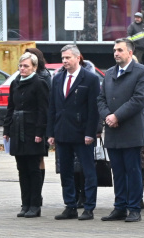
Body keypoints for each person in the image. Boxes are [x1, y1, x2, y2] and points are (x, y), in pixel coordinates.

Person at [97, 38, 144, 223]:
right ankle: (119, 206)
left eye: (119, 50)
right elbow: (101, 99)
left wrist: (116, 116)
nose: (116, 53)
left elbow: (139, 99)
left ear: (130, 52)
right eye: (114, 50)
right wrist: (107, 117)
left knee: (133, 170)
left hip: (131, 130)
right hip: (113, 130)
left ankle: (134, 208)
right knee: (117, 171)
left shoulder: (141, 72)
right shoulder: (109, 72)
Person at [47, 45, 100, 221]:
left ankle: (89, 207)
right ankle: (70, 205)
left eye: (68, 58)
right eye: (63, 58)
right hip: (62, 132)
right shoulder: (58, 78)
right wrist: (51, 132)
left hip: (82, 133)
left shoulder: (90, 79)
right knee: (66, 171)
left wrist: (90, 133)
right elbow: (53, 107)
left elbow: (94, 109)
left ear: (78, 58)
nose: (64, 61)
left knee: (88, 170)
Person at [3, 53, 49, 218]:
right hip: (17, 129)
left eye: (26, 66)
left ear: (34, 67)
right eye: (21, 66)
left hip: (32, 130)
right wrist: (7, 130)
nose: (22, 69)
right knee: (21, 168)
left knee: (33, 168)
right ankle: (25, 204)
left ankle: (35, 205)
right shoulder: (15, 83)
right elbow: (10, 107)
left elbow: (43, 110)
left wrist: (39, 132)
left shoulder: (39, 83)